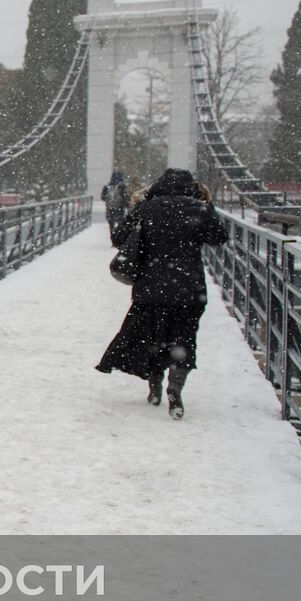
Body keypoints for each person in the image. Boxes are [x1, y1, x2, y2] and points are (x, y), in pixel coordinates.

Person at [95, 168, 228, 419]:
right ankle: (175, 389)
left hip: (151, 287)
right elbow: (219, 238)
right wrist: (204, 212)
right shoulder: (199, 207)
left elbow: (118, 237)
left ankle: (154, 386)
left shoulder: (148, 207)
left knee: (153, 337)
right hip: (189, 288)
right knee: (184, 337)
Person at [101, 170, 128, 234]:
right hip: (120, 208)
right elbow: (125, 198)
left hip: (110, 208)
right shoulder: (122, 187)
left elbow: (103, 197)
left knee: (111, 226)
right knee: (120, 225)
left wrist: (109, 200)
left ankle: (113, 239)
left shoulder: (107, 186)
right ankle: (119, 239)